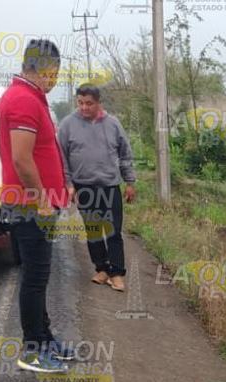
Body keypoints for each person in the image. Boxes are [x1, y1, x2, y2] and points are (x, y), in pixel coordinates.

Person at [0, 39, 73, 374]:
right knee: (35, 277)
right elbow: (21, 158)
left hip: (36, 205)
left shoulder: (30, 98)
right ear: (44, 68)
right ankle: (31, 350)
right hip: (31, 207)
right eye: (54, 72)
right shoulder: (24, 101)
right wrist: (42, 201)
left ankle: (44, 337)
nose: (55, 79)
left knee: (39, 275)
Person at [57, 85, 136, 292]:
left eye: (89, 103)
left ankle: (117, 273)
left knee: (113, 231)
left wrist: (130, 182)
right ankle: (101, 269)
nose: (84, 108)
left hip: (110, 186)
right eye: (81, 103)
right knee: (93, 231)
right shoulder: (68, 125)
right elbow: (62, 157)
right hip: (84, 187)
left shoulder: (113, 124)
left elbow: (125, 154)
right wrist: (69, 184)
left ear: (99, 103)